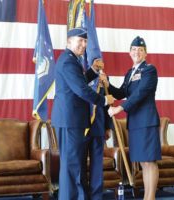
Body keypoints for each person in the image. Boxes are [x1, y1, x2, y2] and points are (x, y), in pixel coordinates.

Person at [51, 27, 114, 200]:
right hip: (70, 120)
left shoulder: (71, 60)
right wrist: (103, 101)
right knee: (71, 167)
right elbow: (80, 89)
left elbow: (78, 83)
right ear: (68, 42)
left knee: (71, 166)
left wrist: (92, 71)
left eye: (85, 41)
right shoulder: (68, 61)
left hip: (71, 120)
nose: (84, 44)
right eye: (79, 40)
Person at [101, 36, 161, 200]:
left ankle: (150, 197)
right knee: (143, 162)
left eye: (140, 50)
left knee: (149, 161)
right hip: (135, 122)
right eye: (134, 50)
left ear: (145, 53)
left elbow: (140, 94)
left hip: (146, 122)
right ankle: (147, 197)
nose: (137, 52)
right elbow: (122, 93)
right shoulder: (130, 73)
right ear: (129, 52)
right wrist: (107, 84)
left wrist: (120, 108)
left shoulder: (149, 70)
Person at [81, 79, 112, 200]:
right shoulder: (78, 72)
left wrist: (108, 127)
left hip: (98, 126)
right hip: (80, 126)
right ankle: (82, 196)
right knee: (80, 164)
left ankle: (96, 197)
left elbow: (107, 102)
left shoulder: (102, 77)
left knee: (97, 165)